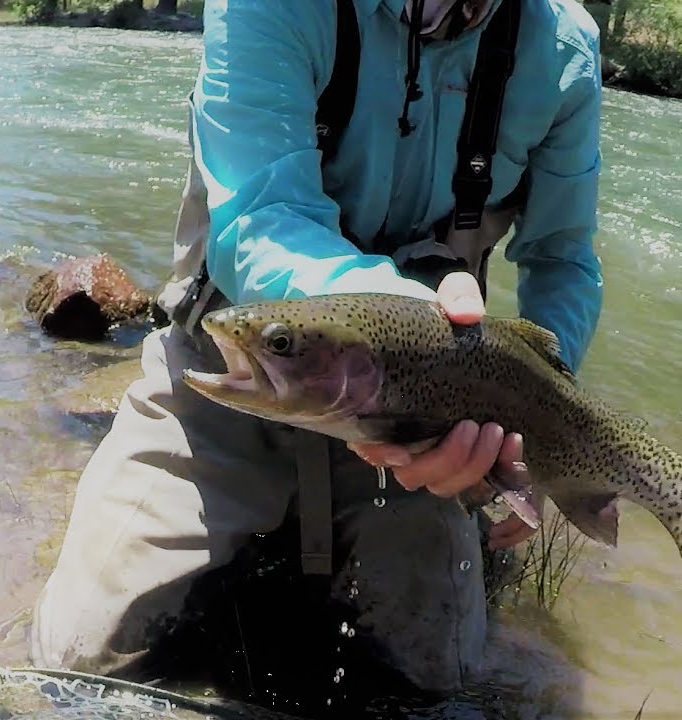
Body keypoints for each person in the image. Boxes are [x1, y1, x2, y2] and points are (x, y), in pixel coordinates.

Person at [31, 0, 605, 706]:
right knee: (74, 664)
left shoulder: (563, 48)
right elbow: (260, 220)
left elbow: (562, 261)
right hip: (224, 376)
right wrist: (400, 321)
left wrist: (535, 430)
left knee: (438, 682)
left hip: (422, 420)